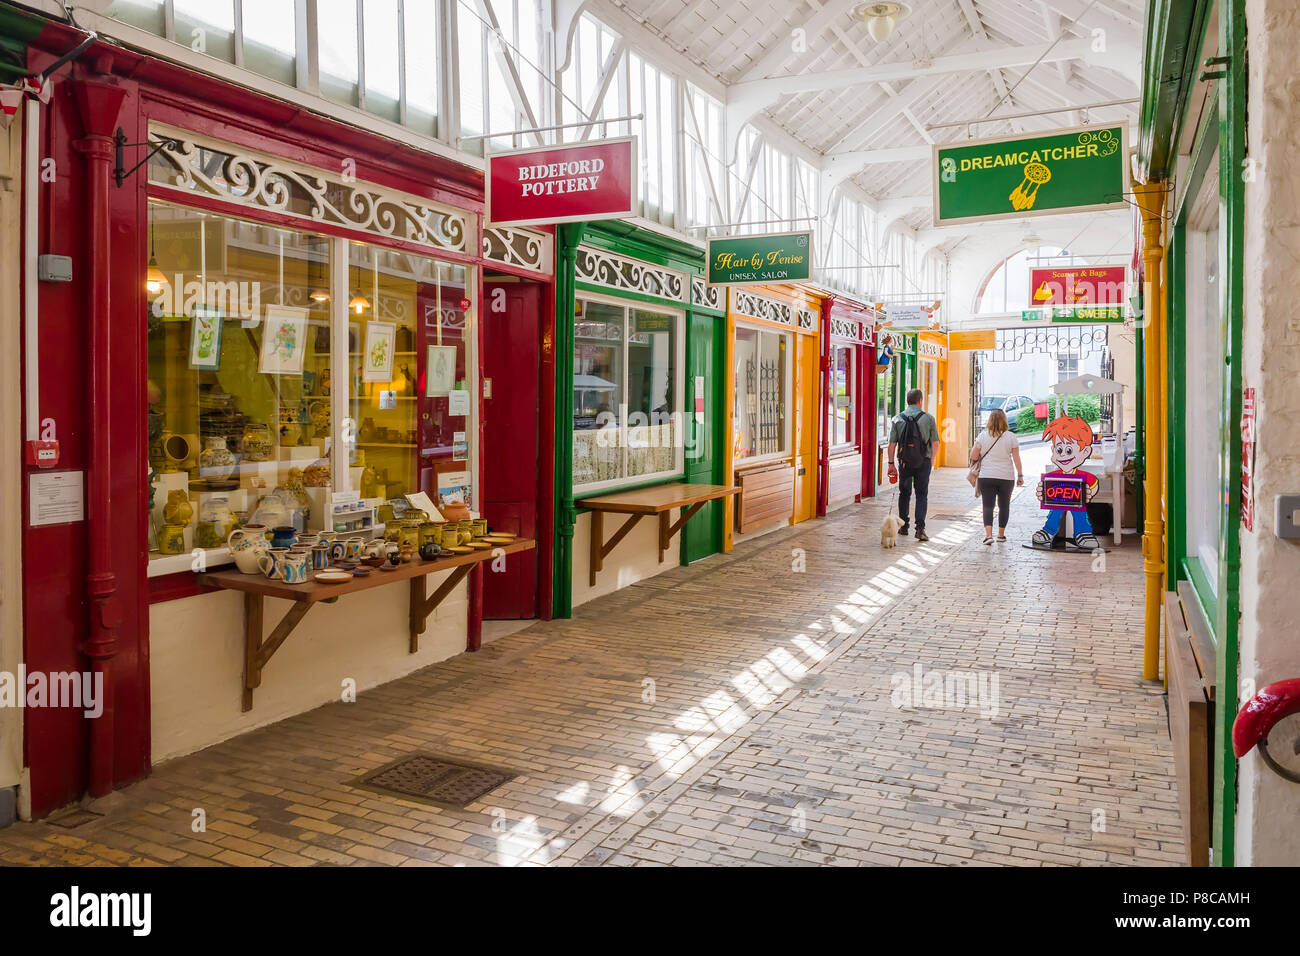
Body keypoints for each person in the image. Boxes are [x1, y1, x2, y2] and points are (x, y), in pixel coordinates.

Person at [1033, 415, 1100, 550]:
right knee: (1056, 509)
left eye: (1069, 450)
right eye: (1059, 450)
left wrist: (1089, 493)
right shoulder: (1052, 476)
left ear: (1085, 451)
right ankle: (1050, 530)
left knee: (1078, 509)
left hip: (1076, 500)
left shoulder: (1083, 476)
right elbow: (1044, 490)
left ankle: (1082, 532)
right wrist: (1041, 492)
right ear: (1053, 451)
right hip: (1059, 500)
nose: (1063, 455)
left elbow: (1093, 485)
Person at [887, 388, 940, 542]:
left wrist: (891, 464)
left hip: (904, 462)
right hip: (923, 461)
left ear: (907, 401)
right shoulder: (928, 418)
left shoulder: (897, 419)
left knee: (904, 493)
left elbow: (892, 444)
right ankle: (920, 529)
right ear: (920, 401)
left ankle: (903, 526)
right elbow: (935, 442)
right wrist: (932, 459)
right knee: (921, 494)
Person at [969, 408, 1025, 545]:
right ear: (1004, 420)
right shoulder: (1011, 436)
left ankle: (988, 536)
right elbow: (1017, 458)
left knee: (988, 506)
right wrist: (1020, 474)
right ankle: (1001, 535)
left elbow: (973, 456)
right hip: (1006, 477)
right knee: (1004, 506)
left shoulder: (982, 436)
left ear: (990, 421)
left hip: (986, 476)